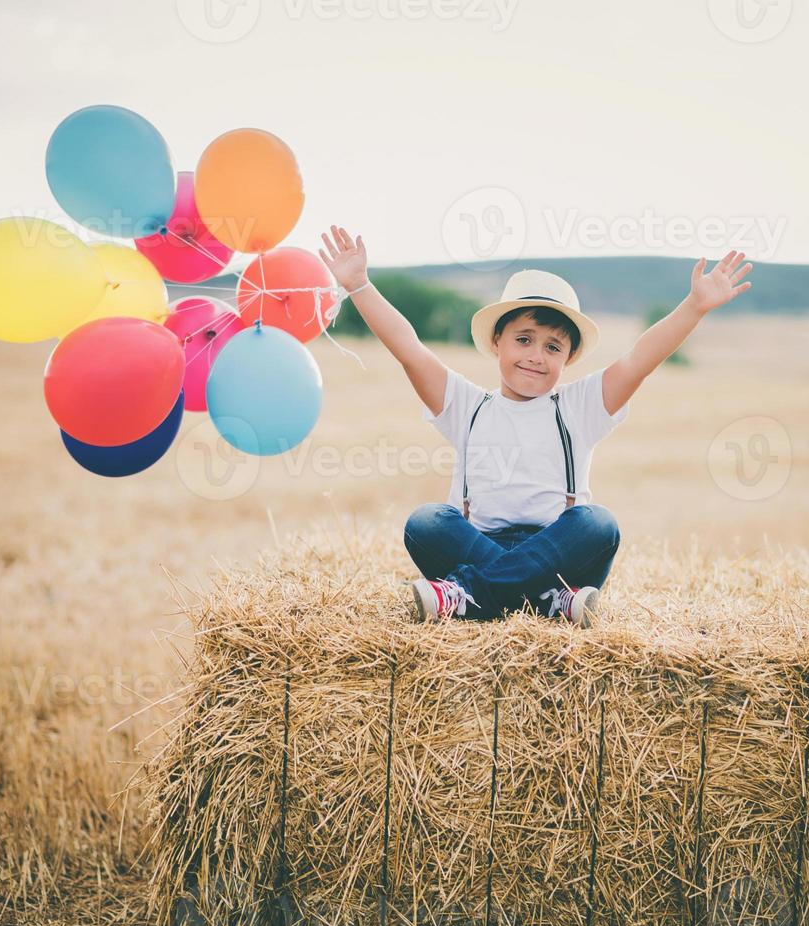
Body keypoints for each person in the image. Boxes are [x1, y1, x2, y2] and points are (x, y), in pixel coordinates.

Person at [317, 225, 752, 626]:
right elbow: (409, 349)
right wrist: (359, 285)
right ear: (496, 342)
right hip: (478, 544)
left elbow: (640, 359)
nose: (535, 356)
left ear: (568, 358)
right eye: (523, 339)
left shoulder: (579, 406)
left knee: (598, 524)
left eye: (552, 347)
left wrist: (694, 307)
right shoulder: (467, 405)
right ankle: (545, 600)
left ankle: (471, 594)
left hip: (560, 554)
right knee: (426, 521)